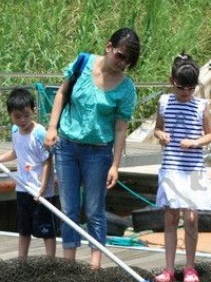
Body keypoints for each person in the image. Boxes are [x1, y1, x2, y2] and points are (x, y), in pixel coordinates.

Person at [44, 28, 141, 268]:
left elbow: (120, 129)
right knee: (68, 208)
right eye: (120, 55)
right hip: (66, 146)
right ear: (109, 47)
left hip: (98, 152)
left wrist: (115, 165)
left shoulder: (126, 88)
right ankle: (69, 264)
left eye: (128, 60)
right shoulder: (82, 63)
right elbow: (62, 93)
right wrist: (52, 127)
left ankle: (94, 267)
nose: (123, 63)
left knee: (94, 209)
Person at [152, 53, 211, 282]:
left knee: (191, 218)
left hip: (193, 168)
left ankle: (190, 266)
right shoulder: (164, 102)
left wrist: (196, 142)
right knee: (170, 218)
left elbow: (210, 134)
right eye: (181, 87)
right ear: (172, 81)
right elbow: (157, 129)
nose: (185, 92)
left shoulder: (201, 105)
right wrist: (162, 135)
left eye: (190, 88)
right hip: (171, 166)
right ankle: (169, 268)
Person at [0, 87, 57, 259]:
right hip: (23, 188)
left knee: (46, 228)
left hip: (40, 191)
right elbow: (16, 152)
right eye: (17, 117)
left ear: (33, 110)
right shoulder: (15, 131)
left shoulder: (39, 133)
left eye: (26, 115)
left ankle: (51, 262)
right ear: (10, 115)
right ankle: (21, 260)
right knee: (24, 228)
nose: (22, 120)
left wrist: (43, 188)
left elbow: (47, 161)